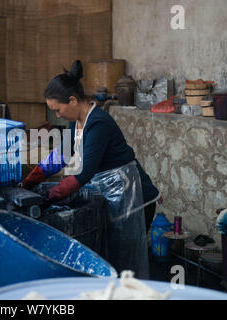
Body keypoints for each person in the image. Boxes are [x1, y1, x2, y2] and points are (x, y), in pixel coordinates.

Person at [21, 60, 161, 279]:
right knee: (110, 258)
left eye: (57, 110)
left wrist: (48, 197)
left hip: (134, 198)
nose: (57, 115)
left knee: (126, 264)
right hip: (114, 195)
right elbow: (62, 155)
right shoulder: (75, 121)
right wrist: (29, 182)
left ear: (73, 100)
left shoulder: (99, 122)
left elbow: (84, 174)